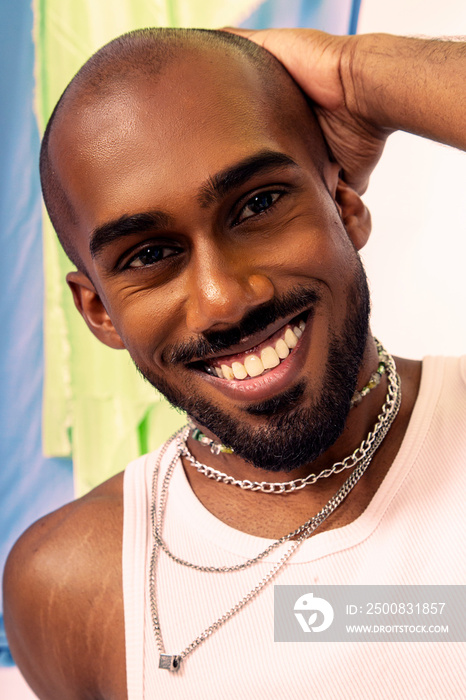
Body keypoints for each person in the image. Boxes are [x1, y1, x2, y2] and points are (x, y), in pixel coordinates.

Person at [3, 26, 465, 700]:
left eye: (257, 205)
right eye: (148, 255)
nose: (222, 300)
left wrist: (358, 74)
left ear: (345, 204)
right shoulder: (74, 580)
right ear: (99, 311)